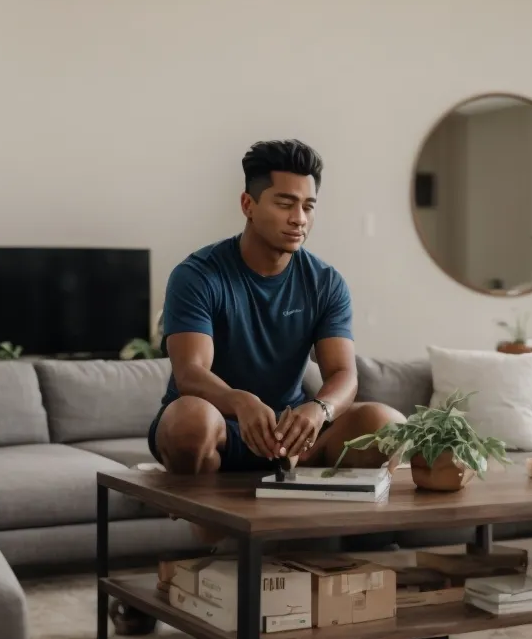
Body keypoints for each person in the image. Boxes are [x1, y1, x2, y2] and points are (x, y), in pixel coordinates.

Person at [148, 139, 403, 482]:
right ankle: (212, 532)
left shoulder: (326, 282)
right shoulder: (197, 275)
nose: (299, 219)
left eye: (308, 206)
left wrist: (318, 410)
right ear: (247, 205)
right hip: (218, 427)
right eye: (285, 203)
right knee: (190, 421)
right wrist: (240, 402)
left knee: (385, 425)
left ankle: (334, 525)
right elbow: (190, 372)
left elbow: (344, 373)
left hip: (291, 437)